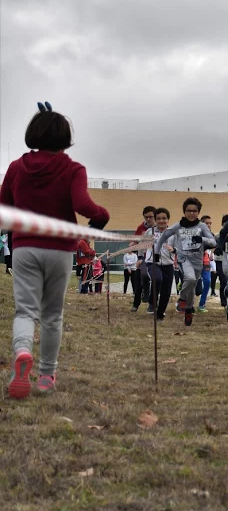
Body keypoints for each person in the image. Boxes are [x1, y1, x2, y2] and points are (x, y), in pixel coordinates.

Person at [2, 103, 110, 399]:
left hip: (24, 246)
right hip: (60, 248)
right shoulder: (73, 168)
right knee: (52, 314)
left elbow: (4, 205)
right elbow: (83, 205)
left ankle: (22, 354)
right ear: (65, 137)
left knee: (25, 311)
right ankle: (47, 375)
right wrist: (101, 216)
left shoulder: (15, 167)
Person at [154, 197, 217, 327]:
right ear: (184, 212)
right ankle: (182, 298)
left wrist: (201, 239)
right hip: (183, 258)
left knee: (192, 285)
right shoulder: (178, 226)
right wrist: (156, 252)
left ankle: (188, 309)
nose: (191, 213)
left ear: (198, 212)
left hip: (197, 260)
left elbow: (213, 242)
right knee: (190, 278)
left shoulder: (202, 226)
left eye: (194, 211)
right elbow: (164, 236)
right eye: (189, 210)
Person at [144, 207, 175, 320]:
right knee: (157, 279)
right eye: (159, 219)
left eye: (164, 218)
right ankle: (152, 302)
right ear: (155, 220)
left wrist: (173, 249)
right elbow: (142, 246)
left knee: (166, 291)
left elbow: (179, 248)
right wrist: (139, 257)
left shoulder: (173, 233)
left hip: (168, 264)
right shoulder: (150, 232)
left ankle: (160, 313)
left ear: (168, 219)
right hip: (153, 262)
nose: (161, 221)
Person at [135, 206, 156, 303]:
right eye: (146, 217)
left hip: (157, 257)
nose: (148, 219)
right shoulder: (141, 228)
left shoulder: (160, 227)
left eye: (150, 217)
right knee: (144, 274)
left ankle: (154, 301)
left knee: (157, 279)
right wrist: (139, 257)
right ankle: (146, 291)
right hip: (144, 256)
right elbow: (138, 241)